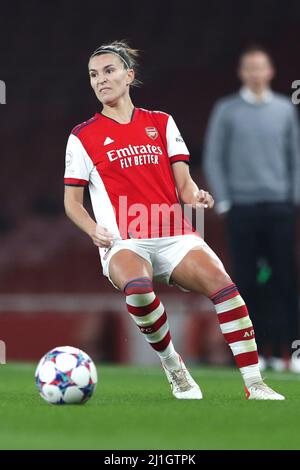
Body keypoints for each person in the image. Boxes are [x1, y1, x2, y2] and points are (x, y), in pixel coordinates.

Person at [64, 40, 284, 400]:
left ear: (129, 75)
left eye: (108, 71)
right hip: (124, 239)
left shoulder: (161, 123)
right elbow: (72, 202)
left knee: (225, 288)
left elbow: (184, 183)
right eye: (93, 74)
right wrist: (93, 230)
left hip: (174, 232)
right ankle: (175, 368)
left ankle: (255, 383)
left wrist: (195, 195)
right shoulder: (82, 136)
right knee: (138, 289)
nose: (100, 80)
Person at [203, 45, 300, 372]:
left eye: (262, 67)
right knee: (246, 281)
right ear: (242, 73)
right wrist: (226, 201)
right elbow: (214, 157)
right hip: (241, 208)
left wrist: (293, 198)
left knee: (285, 279)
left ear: (270, 72)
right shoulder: (226, 110)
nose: (256, 73)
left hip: (279, 207)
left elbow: (295, 157)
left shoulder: (285, 109)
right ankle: (253, 354)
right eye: (250, 68)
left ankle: (289, 352)